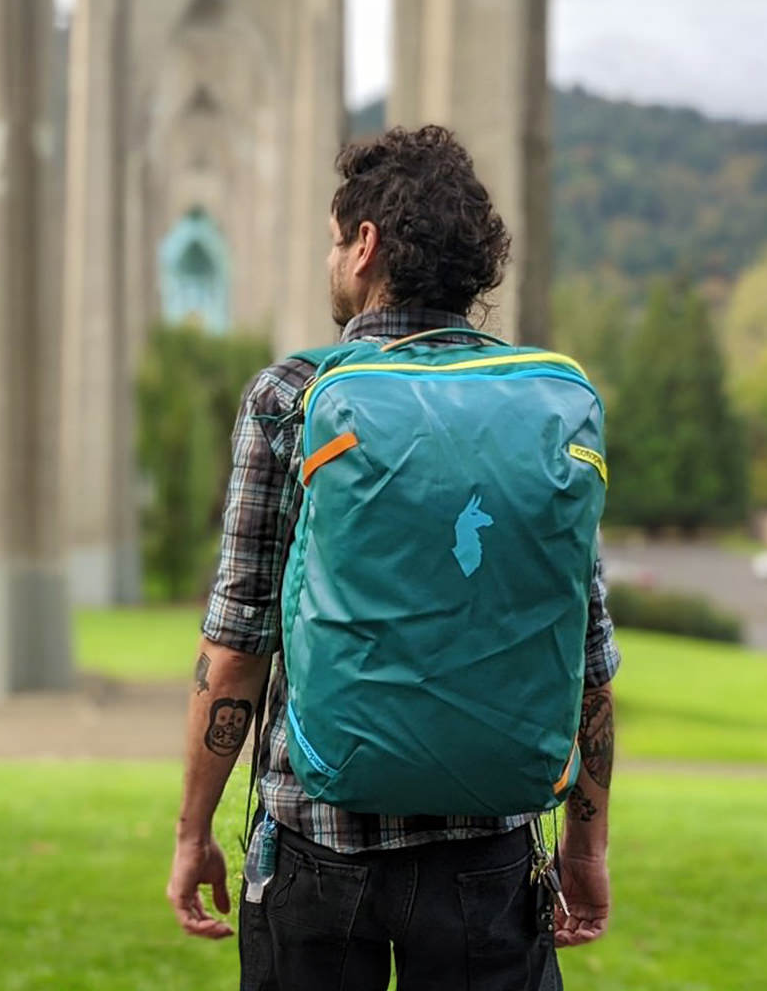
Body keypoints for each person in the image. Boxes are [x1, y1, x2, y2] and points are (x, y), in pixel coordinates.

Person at [166, 125, 619, 991]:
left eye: (337, 240)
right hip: (491, 858)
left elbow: (234, 650)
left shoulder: (291, 398)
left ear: (366, 245)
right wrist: (587, 848)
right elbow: (587, 659)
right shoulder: (545, 408)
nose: (332, 258)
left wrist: (194, 833)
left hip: (317, 850)